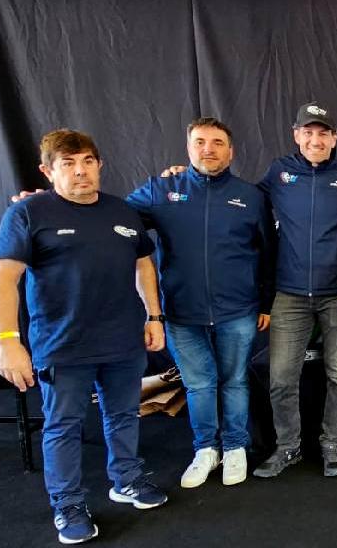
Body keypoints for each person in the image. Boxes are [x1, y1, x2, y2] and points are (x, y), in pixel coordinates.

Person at [0, 129, 169, 545]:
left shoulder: (122, 211)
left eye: (87, 161)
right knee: (64, 425)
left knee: (124, 414)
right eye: (67, 164)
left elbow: (143, 265)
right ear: (48, 171)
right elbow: (3, 279)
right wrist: (7, 340)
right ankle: (67, 503)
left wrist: (154, 316)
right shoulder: (28, 213)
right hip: (63, 343)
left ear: (99, 165)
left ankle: (126, 479)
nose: (80, 171)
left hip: (122, 339)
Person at [123, 118, 273, 488]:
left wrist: (265, 303)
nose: (209, 149)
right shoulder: (162, 190)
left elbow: (269, 252)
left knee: (235, 381)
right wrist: (55, 202)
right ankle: (206, 449)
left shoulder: (250, 197)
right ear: (189, 148)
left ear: (231, 151)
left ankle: (235, 446)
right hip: (181, 311)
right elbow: (110, 217)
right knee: (200, 384)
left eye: (217, 142)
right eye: (200, 142)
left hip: (237, 309)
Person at [253, 103, 337, 479]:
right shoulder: (279, 173)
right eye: (308, 132)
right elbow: (241, 201)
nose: (315, 140)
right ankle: (288, 447)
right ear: (296, 135)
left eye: (323, 133)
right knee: (281, 378)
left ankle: (332, 444)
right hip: (289, 294)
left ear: (335, 138)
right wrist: (186, 178)